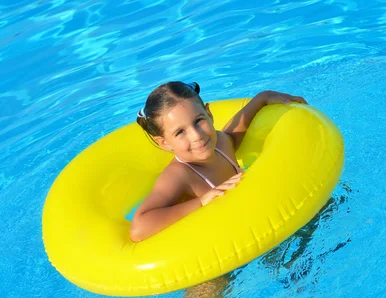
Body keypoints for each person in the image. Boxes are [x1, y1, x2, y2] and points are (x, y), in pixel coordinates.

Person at [130, 81, 307, 242]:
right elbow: (139, 227)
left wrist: (264, 97)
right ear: (164, 142)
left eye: (199, 121)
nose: (196, 135)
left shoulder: (222, 143)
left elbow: (238, 124)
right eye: (180, 132)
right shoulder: (178, 175)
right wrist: (201, 202)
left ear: (209, 114)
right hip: (208, 245)